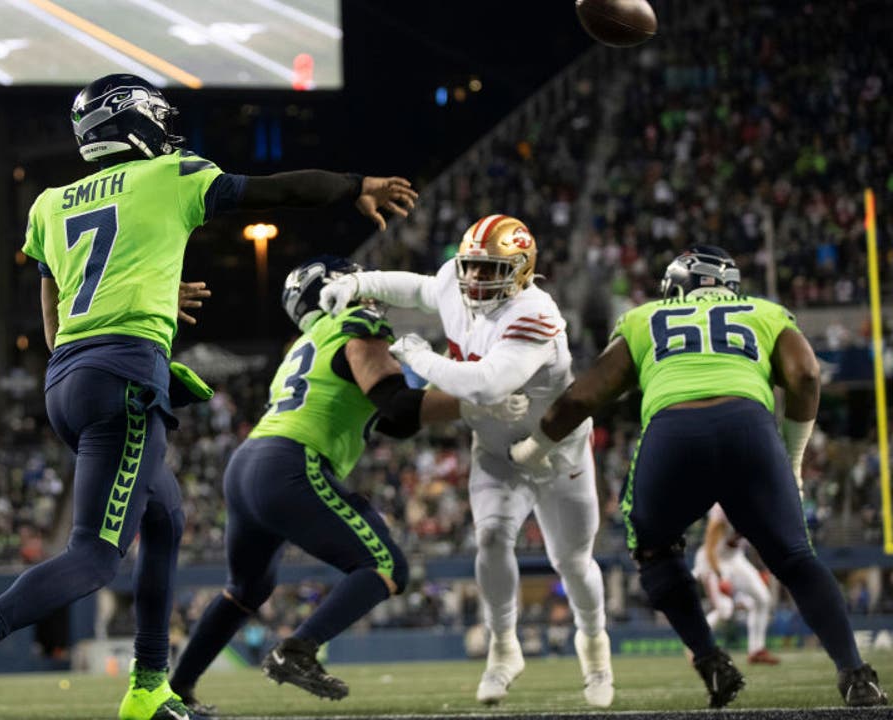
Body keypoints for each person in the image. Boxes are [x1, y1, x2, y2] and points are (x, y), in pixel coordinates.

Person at [0, 73, 418, 720]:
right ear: (135, 121)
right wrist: (355, 185)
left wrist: (139, 310)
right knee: (93, 555)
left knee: (166, 518)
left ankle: (150, 688)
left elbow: (56, 318)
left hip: (67, 377)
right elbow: (277, 189)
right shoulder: (170, 173)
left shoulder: (48, 204)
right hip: (120, 378)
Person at [509, 246, 888, 708]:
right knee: (795, 559)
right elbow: (807, 375)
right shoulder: (765, 312)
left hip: (674, 436)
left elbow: (581, 399)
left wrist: (534, 449)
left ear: (676, 287)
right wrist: (791, 459)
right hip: (751, 433)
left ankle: (710, 659)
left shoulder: (645, 318)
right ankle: (855, 674)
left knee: (654, 551)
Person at [319, 214, 613, 707]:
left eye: (489, 269)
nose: (475, 279)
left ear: (521, 269)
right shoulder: (457, 284)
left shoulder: (534, 310)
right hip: (496, 449)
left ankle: (595, 649)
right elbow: (416, 289)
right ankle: (502, 648)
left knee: (572, 561)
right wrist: (356, 282)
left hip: (558, 452)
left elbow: (487, 383)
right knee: (492, 538)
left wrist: (418, 357)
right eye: (471, 267)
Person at [168, 257, 461, 710]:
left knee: (245, 590)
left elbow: (393, 422)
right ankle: (298, 649)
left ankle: (175, 689)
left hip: (248, 464)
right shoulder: (354, 323)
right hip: (290, 462)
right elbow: (399, 406)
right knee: (385, 565)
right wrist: (478, 398)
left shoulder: (305, 344)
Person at [692, 503, 779, 667]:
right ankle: (696, 646)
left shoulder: (753, 506)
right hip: (712, 560)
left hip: (735, 558)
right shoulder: (722, 511)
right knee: (724, 610)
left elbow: (757, 541)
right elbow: (710, 547)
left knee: (763, 599)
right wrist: (720, 576)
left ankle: (756, 650)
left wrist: (763, 567)